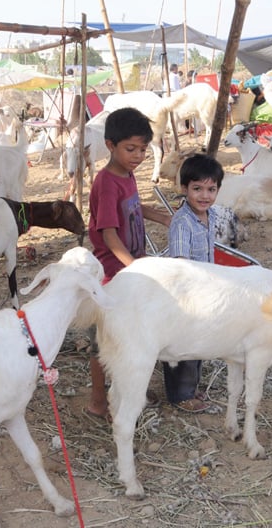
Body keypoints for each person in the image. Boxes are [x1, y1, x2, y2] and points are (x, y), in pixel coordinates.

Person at [85, 107, 171, 421]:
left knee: (133, 334)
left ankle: (128, 388)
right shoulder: (106, 182)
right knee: (104, 340)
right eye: (130, 149)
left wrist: (158, 215)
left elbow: (132, 206)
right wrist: (136, 268)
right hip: (113, 272)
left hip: (132, 267)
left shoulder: (127, 174)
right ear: (110, 145)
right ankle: (98, 400)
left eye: (143, 150)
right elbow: (109, 235)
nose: (138, 156)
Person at [162, 154, 223, 413]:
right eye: (197, 189)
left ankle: (191, 387)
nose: (204, 196)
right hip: (185, 294)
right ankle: (179, 395)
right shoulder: (182, 222)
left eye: (211, 189)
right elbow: (180, 265)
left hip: (203, 291)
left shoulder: (211, 216)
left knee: (198, 343)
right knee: (182, 346)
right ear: (184, 188)